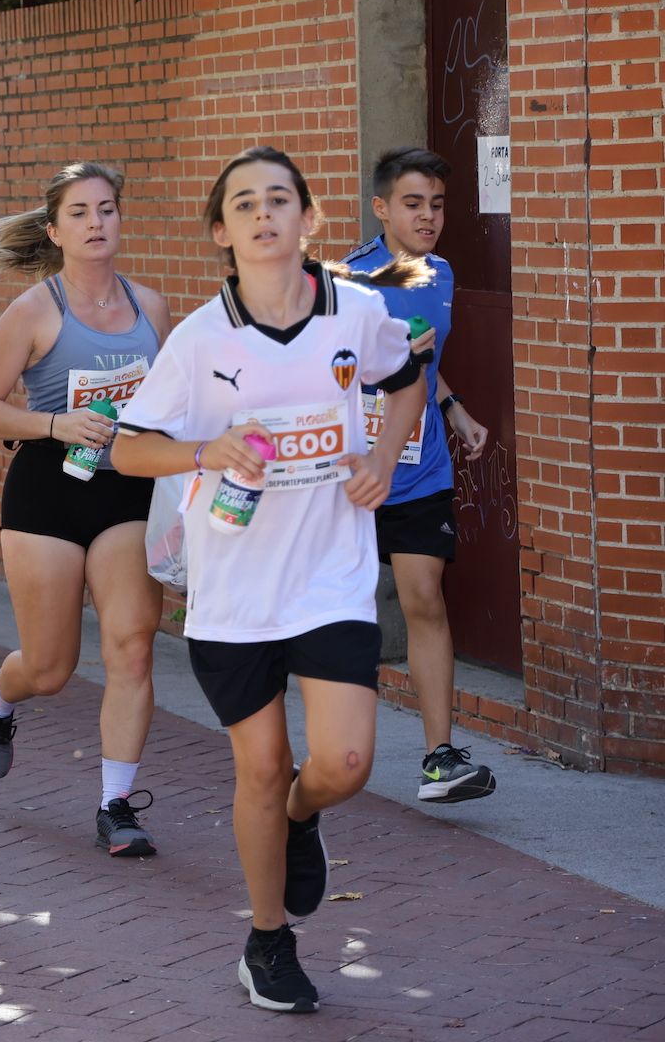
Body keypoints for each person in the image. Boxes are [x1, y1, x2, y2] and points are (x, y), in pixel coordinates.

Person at [111, 145, 426, 1014]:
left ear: (308, 218)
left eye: (279, 199)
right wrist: (205, 450)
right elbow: (129, 450)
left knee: (346, 762)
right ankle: (267, 942)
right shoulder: (199, 338)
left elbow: (406, 383)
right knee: (261, 765)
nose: (263, 214)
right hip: (234, 592)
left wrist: (383, 460)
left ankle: (301, 814)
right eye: (244, 203)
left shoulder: (356, 311)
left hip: (331, 577)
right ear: (221, 230)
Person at [0, 162, 173, 856]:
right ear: (54, 231)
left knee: (132, 645)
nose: (95, 223)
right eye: (79, 213)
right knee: (51, 668)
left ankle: (116, 804)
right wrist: (56, 423)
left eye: (106, 209)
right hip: (49, 488)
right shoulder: (34, 310)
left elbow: (169, 405)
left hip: (126, 490)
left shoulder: (152, 308)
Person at [344, 148, 495, 804]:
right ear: (382, 208)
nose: (428, 216)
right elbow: (322, 372)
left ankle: (441, 757)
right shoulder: (348, 283)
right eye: (413, 204)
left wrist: (453, 407)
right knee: (342, 614)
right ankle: (325, 751)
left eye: (436, 205)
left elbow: (427, 365)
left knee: (426, 599)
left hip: (421, 466)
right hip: (353, 471)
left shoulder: (443, 273)